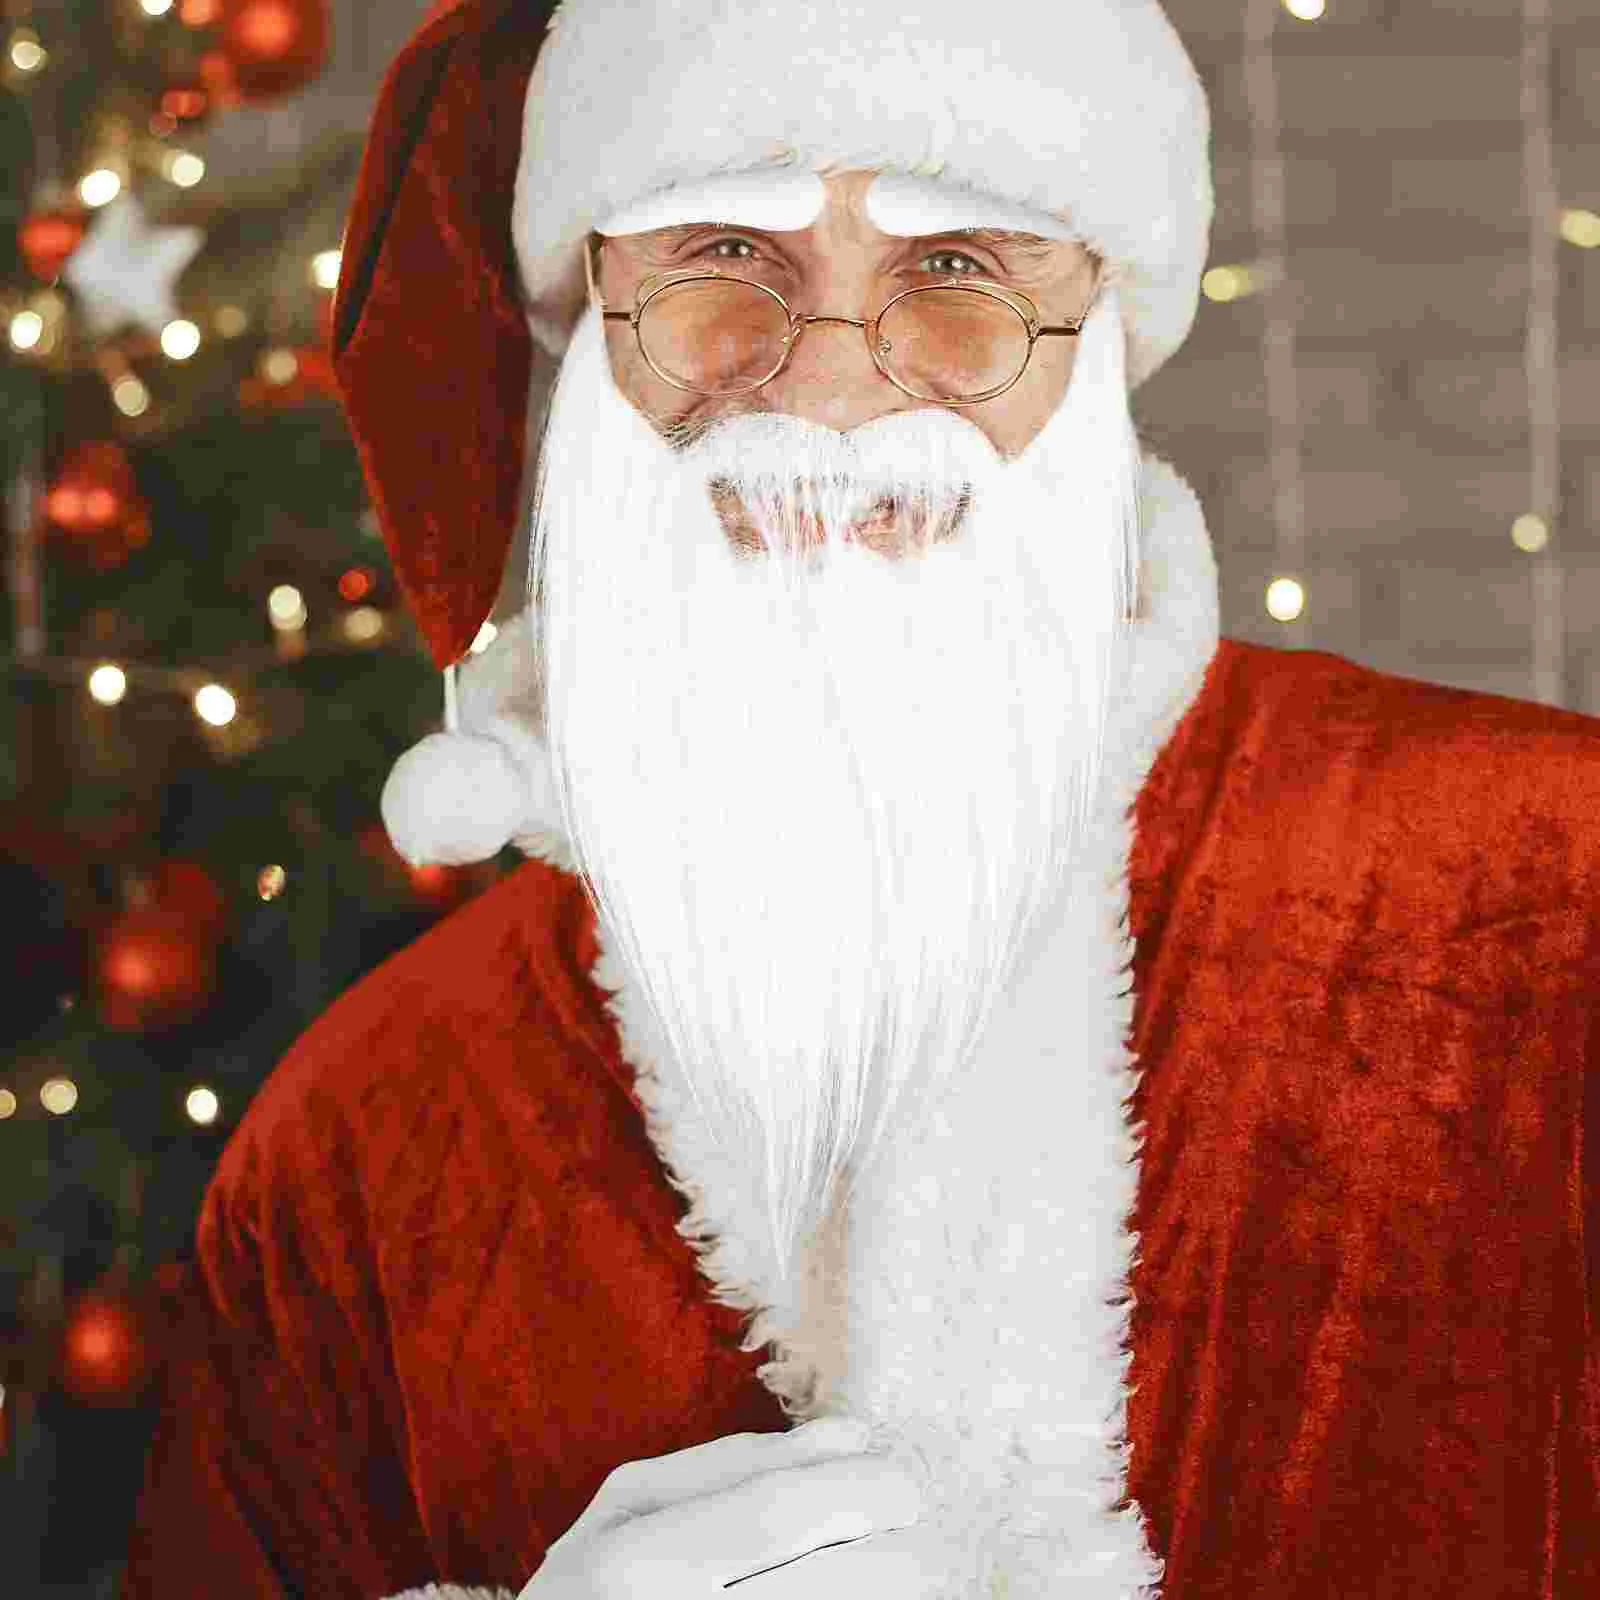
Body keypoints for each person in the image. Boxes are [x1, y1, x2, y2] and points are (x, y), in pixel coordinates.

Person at [121, 0, 1600, 1596]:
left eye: (957, 270)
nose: (824, 396)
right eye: (720, 262)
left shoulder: (1551, 897)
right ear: (596, 316)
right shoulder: (368, 1132)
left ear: (1098, 329)